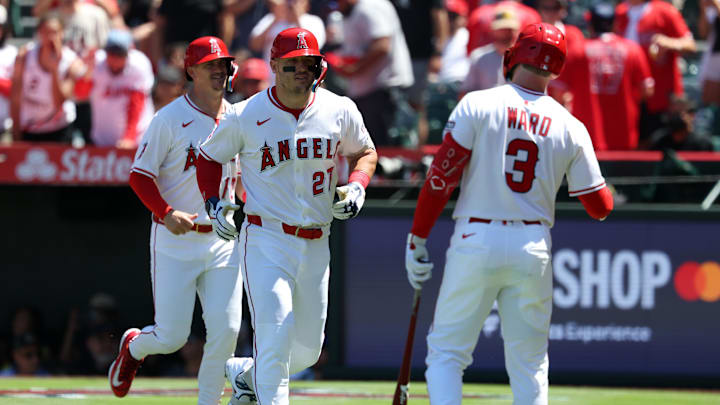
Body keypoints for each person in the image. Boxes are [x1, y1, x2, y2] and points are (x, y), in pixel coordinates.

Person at [405, 23, 613, 405]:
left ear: (514, 55)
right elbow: (599, 207)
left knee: (447, 355)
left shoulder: (478, 103)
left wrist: (418, 236)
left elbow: (440, 178)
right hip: (533, 243)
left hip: (475, 237)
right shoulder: (571, 124)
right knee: (530, 362)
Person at [195, 27, 377, 405]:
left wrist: (357, 184)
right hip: (266, 238)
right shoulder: (246, 114)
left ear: (319, 66)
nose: (300, 71)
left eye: (308, 63)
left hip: (317, 242)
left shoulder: (338, 108)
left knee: (308, 350)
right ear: (275, 66)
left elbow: (365, 152)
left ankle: (246, 374)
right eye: (291, 64)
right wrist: (213, 202)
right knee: (275, 337)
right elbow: (209, 157)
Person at [108, 36, 245, 405]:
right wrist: (165, 213)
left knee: (227, 330)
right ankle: (134, 347)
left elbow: (243, 178)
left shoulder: (238, 117)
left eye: (223, 64)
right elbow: (139, 176)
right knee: (172, 337)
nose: (220, 71)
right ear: (191, 71)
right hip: (175, 238)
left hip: (221, 240)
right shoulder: (169, 118)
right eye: (210, 65)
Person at [329, 0, 413, 146]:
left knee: (387, 155)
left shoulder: (371, 6)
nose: (337, 4)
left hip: (383, 92)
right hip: (368, 93)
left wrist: (355, 69)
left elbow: (382, 46)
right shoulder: (355, 10)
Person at [615, 0, 696, 140]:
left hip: (660, 97)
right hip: (628, 96)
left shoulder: (665, 11)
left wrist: (670, 43)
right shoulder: (620, 12)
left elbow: (690, 44)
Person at [585, 2, 654, 150]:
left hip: (586, 138)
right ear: (615, 24)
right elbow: (647, 90)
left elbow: (560, 93)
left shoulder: (578, 50)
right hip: (624, 135)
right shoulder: (633, 50)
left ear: (590, 25)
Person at [540, 0, 606, 151]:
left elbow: (578, 68)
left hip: (567, 99)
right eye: (546, 7)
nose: (550, 12)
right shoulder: (534, 31)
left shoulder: (573, 34)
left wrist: (566, 95)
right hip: (541, 95)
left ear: (563, 10)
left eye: (555, 7)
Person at [10, 15, 85, 143]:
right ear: (39, 33)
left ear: (62, 33)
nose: (51, 37)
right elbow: (16, 96)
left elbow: (59, 101)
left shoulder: (71, 62)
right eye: (46, 32)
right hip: (30, 127)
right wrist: (16, 132)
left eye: (55, 32)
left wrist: (54, 70)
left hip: (59, 130)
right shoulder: (25, 57)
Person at [89, 29, 155, 148]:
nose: (115, 59)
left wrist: (129, 136)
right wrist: (85, 72)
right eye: (111, 54)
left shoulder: (139, 65)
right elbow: (80, 94)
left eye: (120, 55)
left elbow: (136, 103)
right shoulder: (96, 62)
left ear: (128, 53)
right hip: (102, 139)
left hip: (137, 139)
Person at [459, 6, 519, 96]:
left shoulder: (525, 60)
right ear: (493, 30)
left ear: (516, 31)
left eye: (509, 29)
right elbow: (465, 92)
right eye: (502, 29)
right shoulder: (479, 57)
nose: (505, 33)